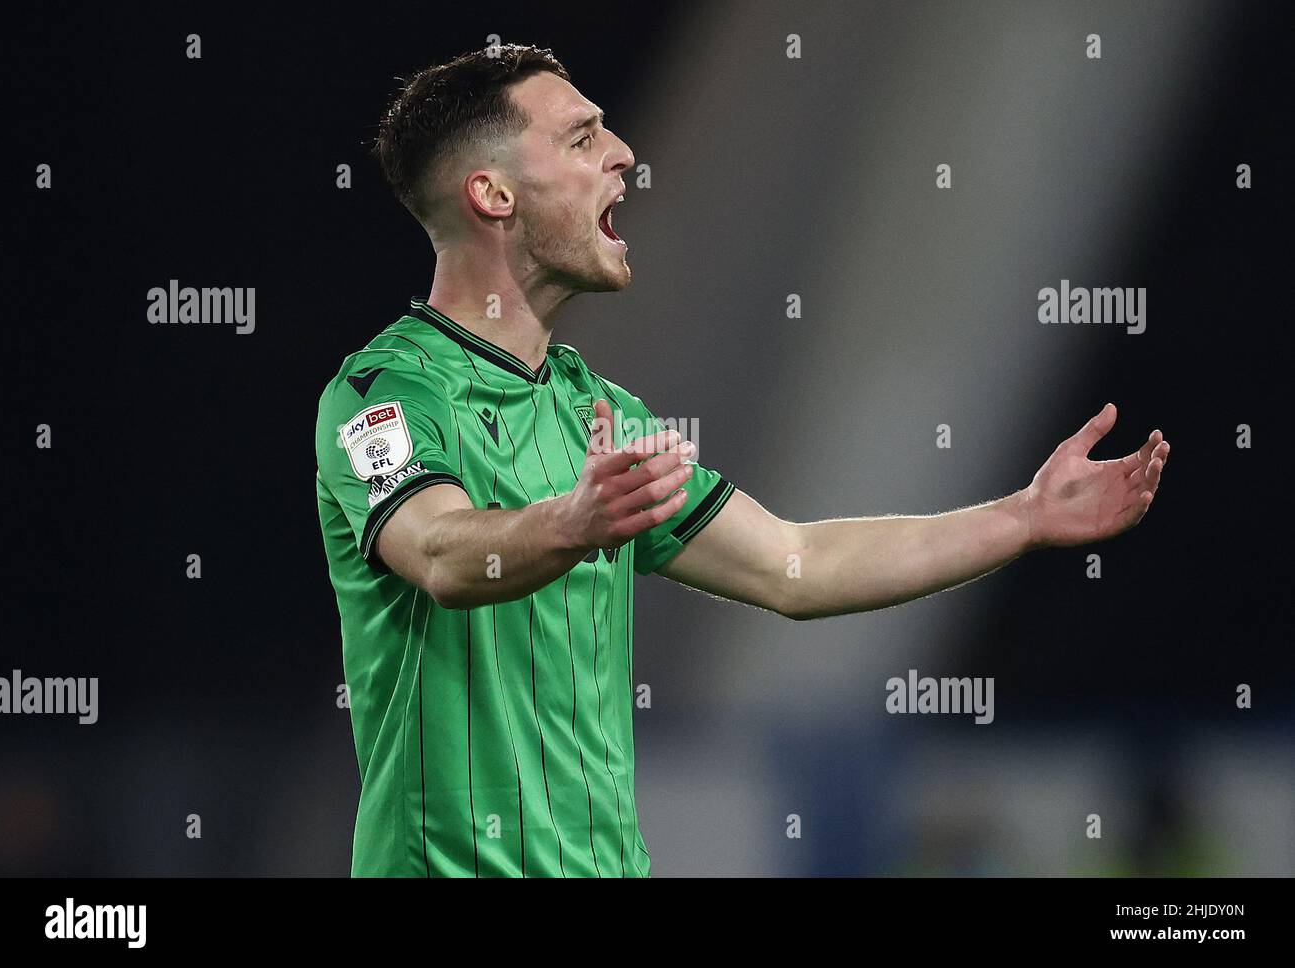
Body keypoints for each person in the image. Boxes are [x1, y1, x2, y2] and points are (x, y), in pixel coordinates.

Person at [314, 44, 1170, 877]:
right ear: (493, 194)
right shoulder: (383, 394)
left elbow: (795, 566)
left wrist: (1021, 516)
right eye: (580, 139)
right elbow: (436, 551)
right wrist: (573, 523)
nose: (621, 154)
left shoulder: (596, 414)